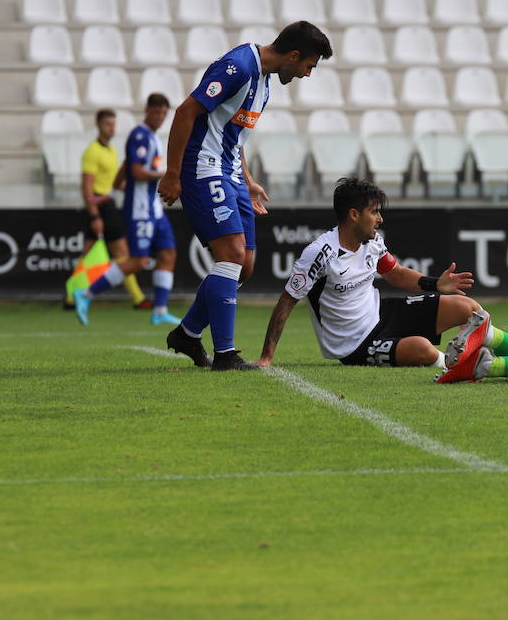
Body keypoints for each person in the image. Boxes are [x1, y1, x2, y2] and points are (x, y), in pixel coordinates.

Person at [158, 21, 333, 371]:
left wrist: (248, 179)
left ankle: (188, 333)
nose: (307, 74)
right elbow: (186, 112)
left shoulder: (264, 79)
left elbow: (233, 133)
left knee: (245, 266)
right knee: (233, 254)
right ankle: (225, 354)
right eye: (309, 66)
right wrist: (173, 173)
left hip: (232, 173)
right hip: (203, 168)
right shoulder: (237, 67)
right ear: (294, 56)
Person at [257, 177, 479, 369]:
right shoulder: (319, 253)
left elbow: (395, 273)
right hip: (356, 345)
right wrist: (266, 357)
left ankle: (499, 356)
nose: (380, 219)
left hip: (381, 312)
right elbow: (287, 301)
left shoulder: (372, 241)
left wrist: (435, 284)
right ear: (354, 214)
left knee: (469, 308)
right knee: (423, 349)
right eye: (374, 212)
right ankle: (464, 365)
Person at [74, 94, 180, 326]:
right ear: (147, 110)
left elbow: (125, 168)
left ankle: (160, 310)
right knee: (138, 260)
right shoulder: (140, 135)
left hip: (154, 208)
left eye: (164, 113)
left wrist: (117, 183)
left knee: (168, 253)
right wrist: (167, 175)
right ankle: (86, 293)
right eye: (156, 112)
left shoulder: (152, 137)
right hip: (140, 209)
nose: (160, 117)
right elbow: (138, 172)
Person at [76, 108, 147, 310]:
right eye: (108, 124)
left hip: (108, 203)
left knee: (88, 253)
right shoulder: (92, 151)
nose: (111, 128)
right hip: (101, 206)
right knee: (122, 252)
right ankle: (138, 298)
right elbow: (86, 186)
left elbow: (112, 184)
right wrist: (94, 215)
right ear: (98, 125)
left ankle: (72, 297)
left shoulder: (112, 150)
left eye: (114, 124)